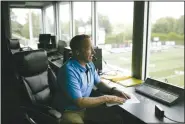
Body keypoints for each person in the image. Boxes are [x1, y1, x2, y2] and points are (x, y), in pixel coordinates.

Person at [56, 34, 130, 124]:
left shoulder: (89, 64)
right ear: (77, 52)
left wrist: (113, 90)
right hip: (68, 111)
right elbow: (80, 102)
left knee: (117, 118)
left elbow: (98, 83)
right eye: (89, 49)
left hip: (85, 109)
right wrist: (106, 98)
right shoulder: (68, 70)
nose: (94, 52)